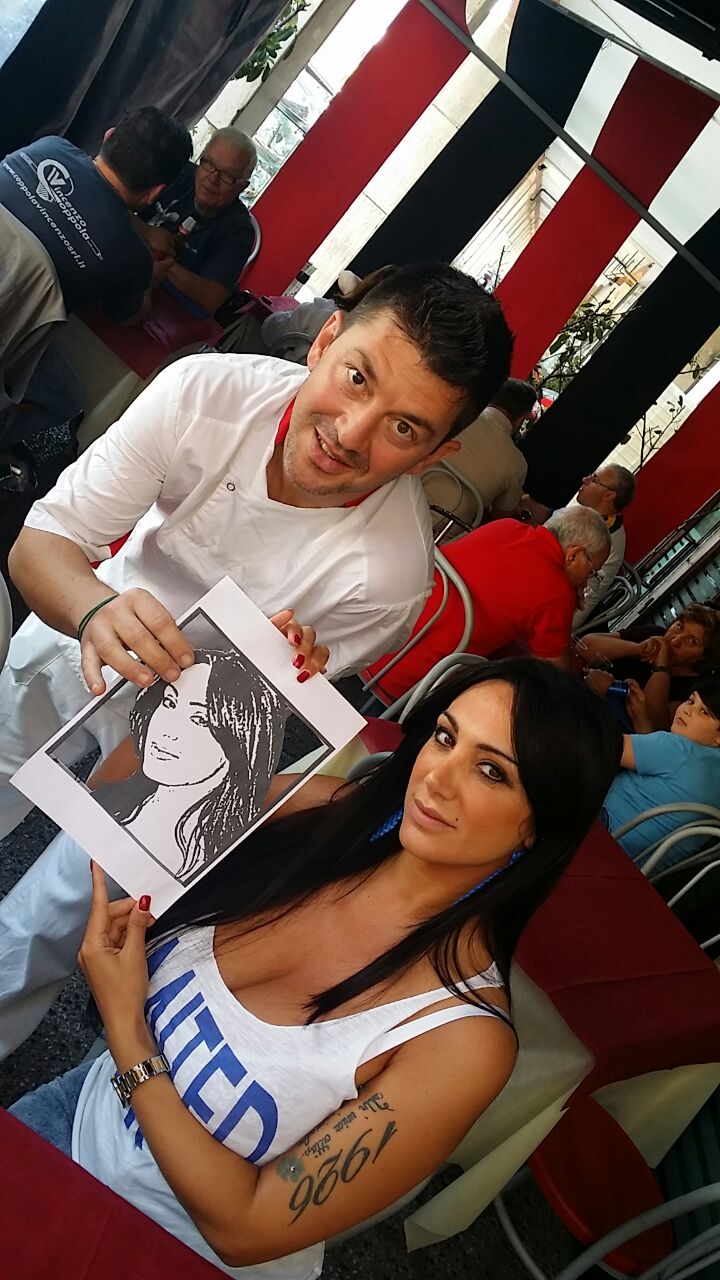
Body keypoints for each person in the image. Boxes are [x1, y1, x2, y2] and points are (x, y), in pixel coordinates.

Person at [0, 263, 513, 1057]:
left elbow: (241, 734)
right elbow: (42, 547)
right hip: (88, 622)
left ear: (431, 456)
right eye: (357, 378)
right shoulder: (204, 393)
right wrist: (96, 609)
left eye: (404, 428)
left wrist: (284, 669)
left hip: (201, 723)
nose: (351, 433)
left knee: (61, 910)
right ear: (326, 340)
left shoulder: (387, 577)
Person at [9, 659, 622, 1277]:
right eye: (444, 736)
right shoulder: (328, 814)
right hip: (74, 1113)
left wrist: (127, 1029)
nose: (436, 778)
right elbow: (120, 798)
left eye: (491, 771)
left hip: (160, 1251)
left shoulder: (461, 1039)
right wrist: (227, 667)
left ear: (538, 827)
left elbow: (245, 1228)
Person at [366, 506, 610, 702]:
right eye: (592, 570)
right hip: (403, 682)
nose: (589, 578)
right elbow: (552, 672)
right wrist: (568, 603)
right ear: (573, 554)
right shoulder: (557, 592)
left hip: (372, 631)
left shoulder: (506, 526)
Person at [96, 650, 287, 882]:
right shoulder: (117, 793)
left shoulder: (211, 858)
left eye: (200, 719)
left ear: (241, 740)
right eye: (169, 702)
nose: (167, 730)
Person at [0, 107, 191, 324]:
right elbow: (126, 317)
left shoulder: (50, 146)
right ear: (155, 192)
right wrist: (148, 284)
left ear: (109, 136)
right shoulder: (133, 257)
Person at [136, 128, 257, 316]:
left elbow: (211, 298)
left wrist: (159, 259)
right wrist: (147, 232)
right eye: (208, 163)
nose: (213, 179)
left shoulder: (239, 230)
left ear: (242, 187)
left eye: (227, 175)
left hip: (169, 306)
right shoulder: (179, 171)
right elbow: (112, 200)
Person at [603, 676, 720, 868]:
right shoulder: (709, 766)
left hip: (599, 833)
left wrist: (595, 689)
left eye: (704, 712)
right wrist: (641, 718)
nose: (688, 710)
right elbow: (665, 770)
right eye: (691, 701)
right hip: (632, 868)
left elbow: (598, 743)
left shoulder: (680, 749)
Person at [582, 604, 720, 730]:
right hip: (583, 696)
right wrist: (637, 649)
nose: (676, 640)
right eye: (679, 627)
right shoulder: (653, 633)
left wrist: (662, 666)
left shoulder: (696, 689)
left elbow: (653, 724)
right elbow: (584, 646)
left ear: (704, 656)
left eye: (692, 641)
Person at [422, 377, 537, 523]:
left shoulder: (456, 413)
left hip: (401, 494)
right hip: (441, 530)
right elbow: (500, 515)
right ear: (521, 418)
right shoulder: (517, 464)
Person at [569, 465, 637, 627]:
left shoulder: (607, 539)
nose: (585, 480)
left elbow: (585, 601)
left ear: (609, 495)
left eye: (594, 479)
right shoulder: (588, 514)